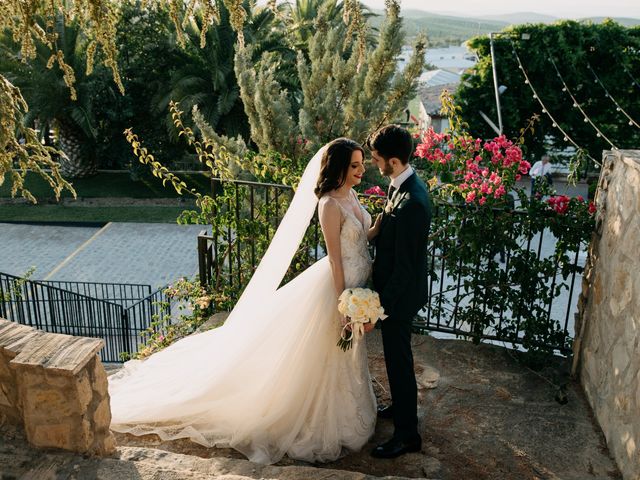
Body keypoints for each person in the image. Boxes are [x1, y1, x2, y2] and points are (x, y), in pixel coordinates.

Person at [108, 138, 380, 465]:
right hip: (337, 288)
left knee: (341, 354)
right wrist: (343, 304)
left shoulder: (350, 196)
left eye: (361, 163)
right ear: (338, 168)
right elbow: (336, 260)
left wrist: (381, 226)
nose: (362, 170)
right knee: (325, 351)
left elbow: (360, 238)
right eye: (354, 165)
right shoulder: (328, 206)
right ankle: (315, 417)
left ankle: (345, 410)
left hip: (356, 283)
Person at [366, 125, 432, 459]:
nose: (374, 162)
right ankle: (399, 406)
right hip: (396, 292)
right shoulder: (400, 185)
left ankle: (407, 435)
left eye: (377, 158)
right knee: (396, 361)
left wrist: (379, 306)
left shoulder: (413, 202)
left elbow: (405, 267)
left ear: (393, 160)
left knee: (399, 362)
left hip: (399, 297)